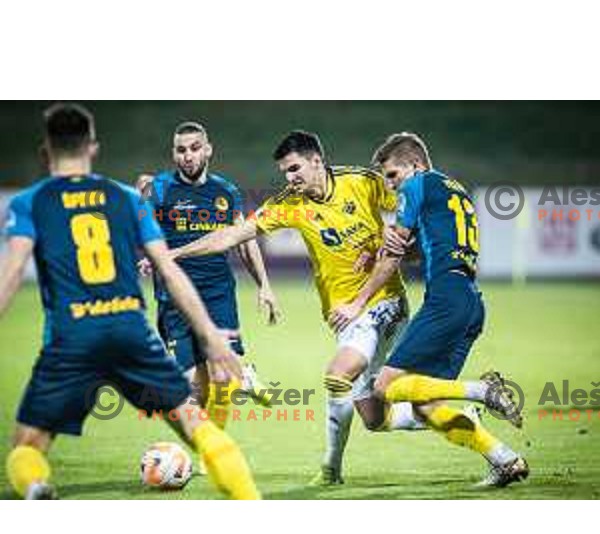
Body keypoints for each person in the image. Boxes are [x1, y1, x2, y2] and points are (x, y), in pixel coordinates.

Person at [0, 103, 260, 499]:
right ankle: (249, 500)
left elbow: (12, 273)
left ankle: (35, 487)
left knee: (26, 446)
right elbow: (169, 271)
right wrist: (210, 333)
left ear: (45, 151)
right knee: (197, 426)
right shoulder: (126, 198)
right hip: (130, 331)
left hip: (72, 337)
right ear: (93, 148)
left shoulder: (29, 202)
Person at [164, 130, 427, 485]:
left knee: (338, 375)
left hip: (382, 302)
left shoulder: (363, 182)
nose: (289, 179)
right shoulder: (291, 203)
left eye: (294, 169)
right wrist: (175, 253)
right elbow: (232, 235)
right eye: (284, 172)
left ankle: (330, 470)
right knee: (373, 417)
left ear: (317, 160)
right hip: (340, 313)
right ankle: (453, 409)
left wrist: (398, 243)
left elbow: (417, 204)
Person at [352, 132, 528, 488]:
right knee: (425, 404)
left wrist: (362, 292)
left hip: (446, 296)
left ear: (415, 165)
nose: (390, 185)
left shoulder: (416, 186)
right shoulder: (454, 190)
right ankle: (505, 459)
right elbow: (425, 247)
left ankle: (481, 391)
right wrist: (390, 248)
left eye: (392, 175)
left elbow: (396, 249)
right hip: (471, 301)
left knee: (384, 387)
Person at [137, 122, 281, 428]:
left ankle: (216, 447)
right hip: (175, 297)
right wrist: (149, 256)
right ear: (173, 154)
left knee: (219, 376)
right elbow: (144, 229)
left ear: (208, 150)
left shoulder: (225, 191)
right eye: (181, 150)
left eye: (194, 148)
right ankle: (242, 377)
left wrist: (264, 285)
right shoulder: (160, 188)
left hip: (218, 293)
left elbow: (245, 239)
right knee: (194, 385)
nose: (188, 156)